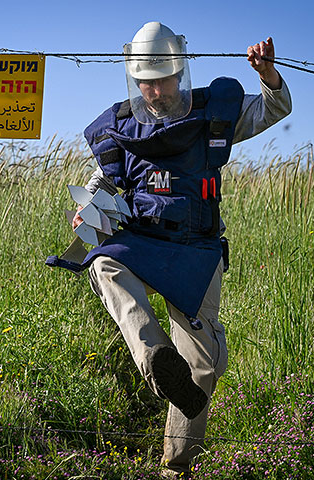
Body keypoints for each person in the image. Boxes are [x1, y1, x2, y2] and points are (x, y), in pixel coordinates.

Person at [47, 21, 291, 476]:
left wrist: (268, 75)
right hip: (139, 242)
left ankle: (176, 468)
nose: (155, 92)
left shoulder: (212, 115)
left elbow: (273, 108)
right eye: (146, 83)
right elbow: (104, 182)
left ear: (179, 73)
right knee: (102, 264)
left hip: (196, 249)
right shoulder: (120, 127)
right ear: (135, 79)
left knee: (202, 367)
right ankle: (155, 357)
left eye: (162, 81)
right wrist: (88, 210)